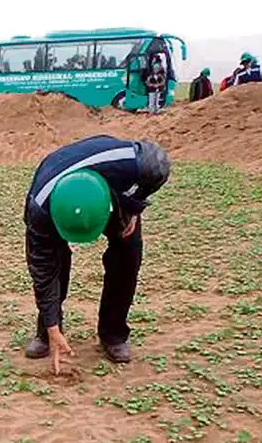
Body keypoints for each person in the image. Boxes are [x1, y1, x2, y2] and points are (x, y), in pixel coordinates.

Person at [22, 135, 171, 374]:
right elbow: (43, 273)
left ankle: (113, 335)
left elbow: (160, 166)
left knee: (127, 256)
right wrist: (51, 326)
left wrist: (133, 207)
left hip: (115, 194)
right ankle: (48, 332)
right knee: (54, 266)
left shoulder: (135, 163)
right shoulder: (39, 211)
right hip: (58, 195)